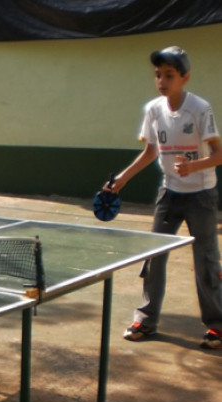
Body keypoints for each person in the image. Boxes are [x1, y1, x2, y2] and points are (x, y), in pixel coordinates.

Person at [104, 46, 222, 349]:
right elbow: (151, 152)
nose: (162, 80)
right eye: (158, 75)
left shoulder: (200, 108)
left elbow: (219, 154)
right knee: (154, 257)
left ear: (184, 77)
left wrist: (194, 165)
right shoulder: (154, 110)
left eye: (169, 75)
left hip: (202, 196)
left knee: (206, 262)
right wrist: (122, 179)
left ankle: (217, 325)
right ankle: (146, 319)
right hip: (169, 194)